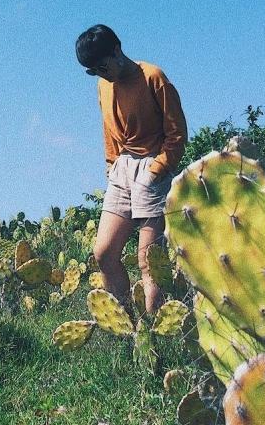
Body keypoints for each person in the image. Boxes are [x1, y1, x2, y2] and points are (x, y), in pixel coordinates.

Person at [75, 24, 187, 313]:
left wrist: (157, 170)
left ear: (117, 50)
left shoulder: (153, 77)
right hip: (122, 168)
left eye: (103, 66)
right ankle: (127, 328)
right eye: (94, 71)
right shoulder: (103, 86)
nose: (101, 74)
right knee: (104, 253)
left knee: (149, 262)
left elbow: (177, 134)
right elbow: (108, 131)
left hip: (153, 166)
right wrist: (111, 166)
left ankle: (153, 339)